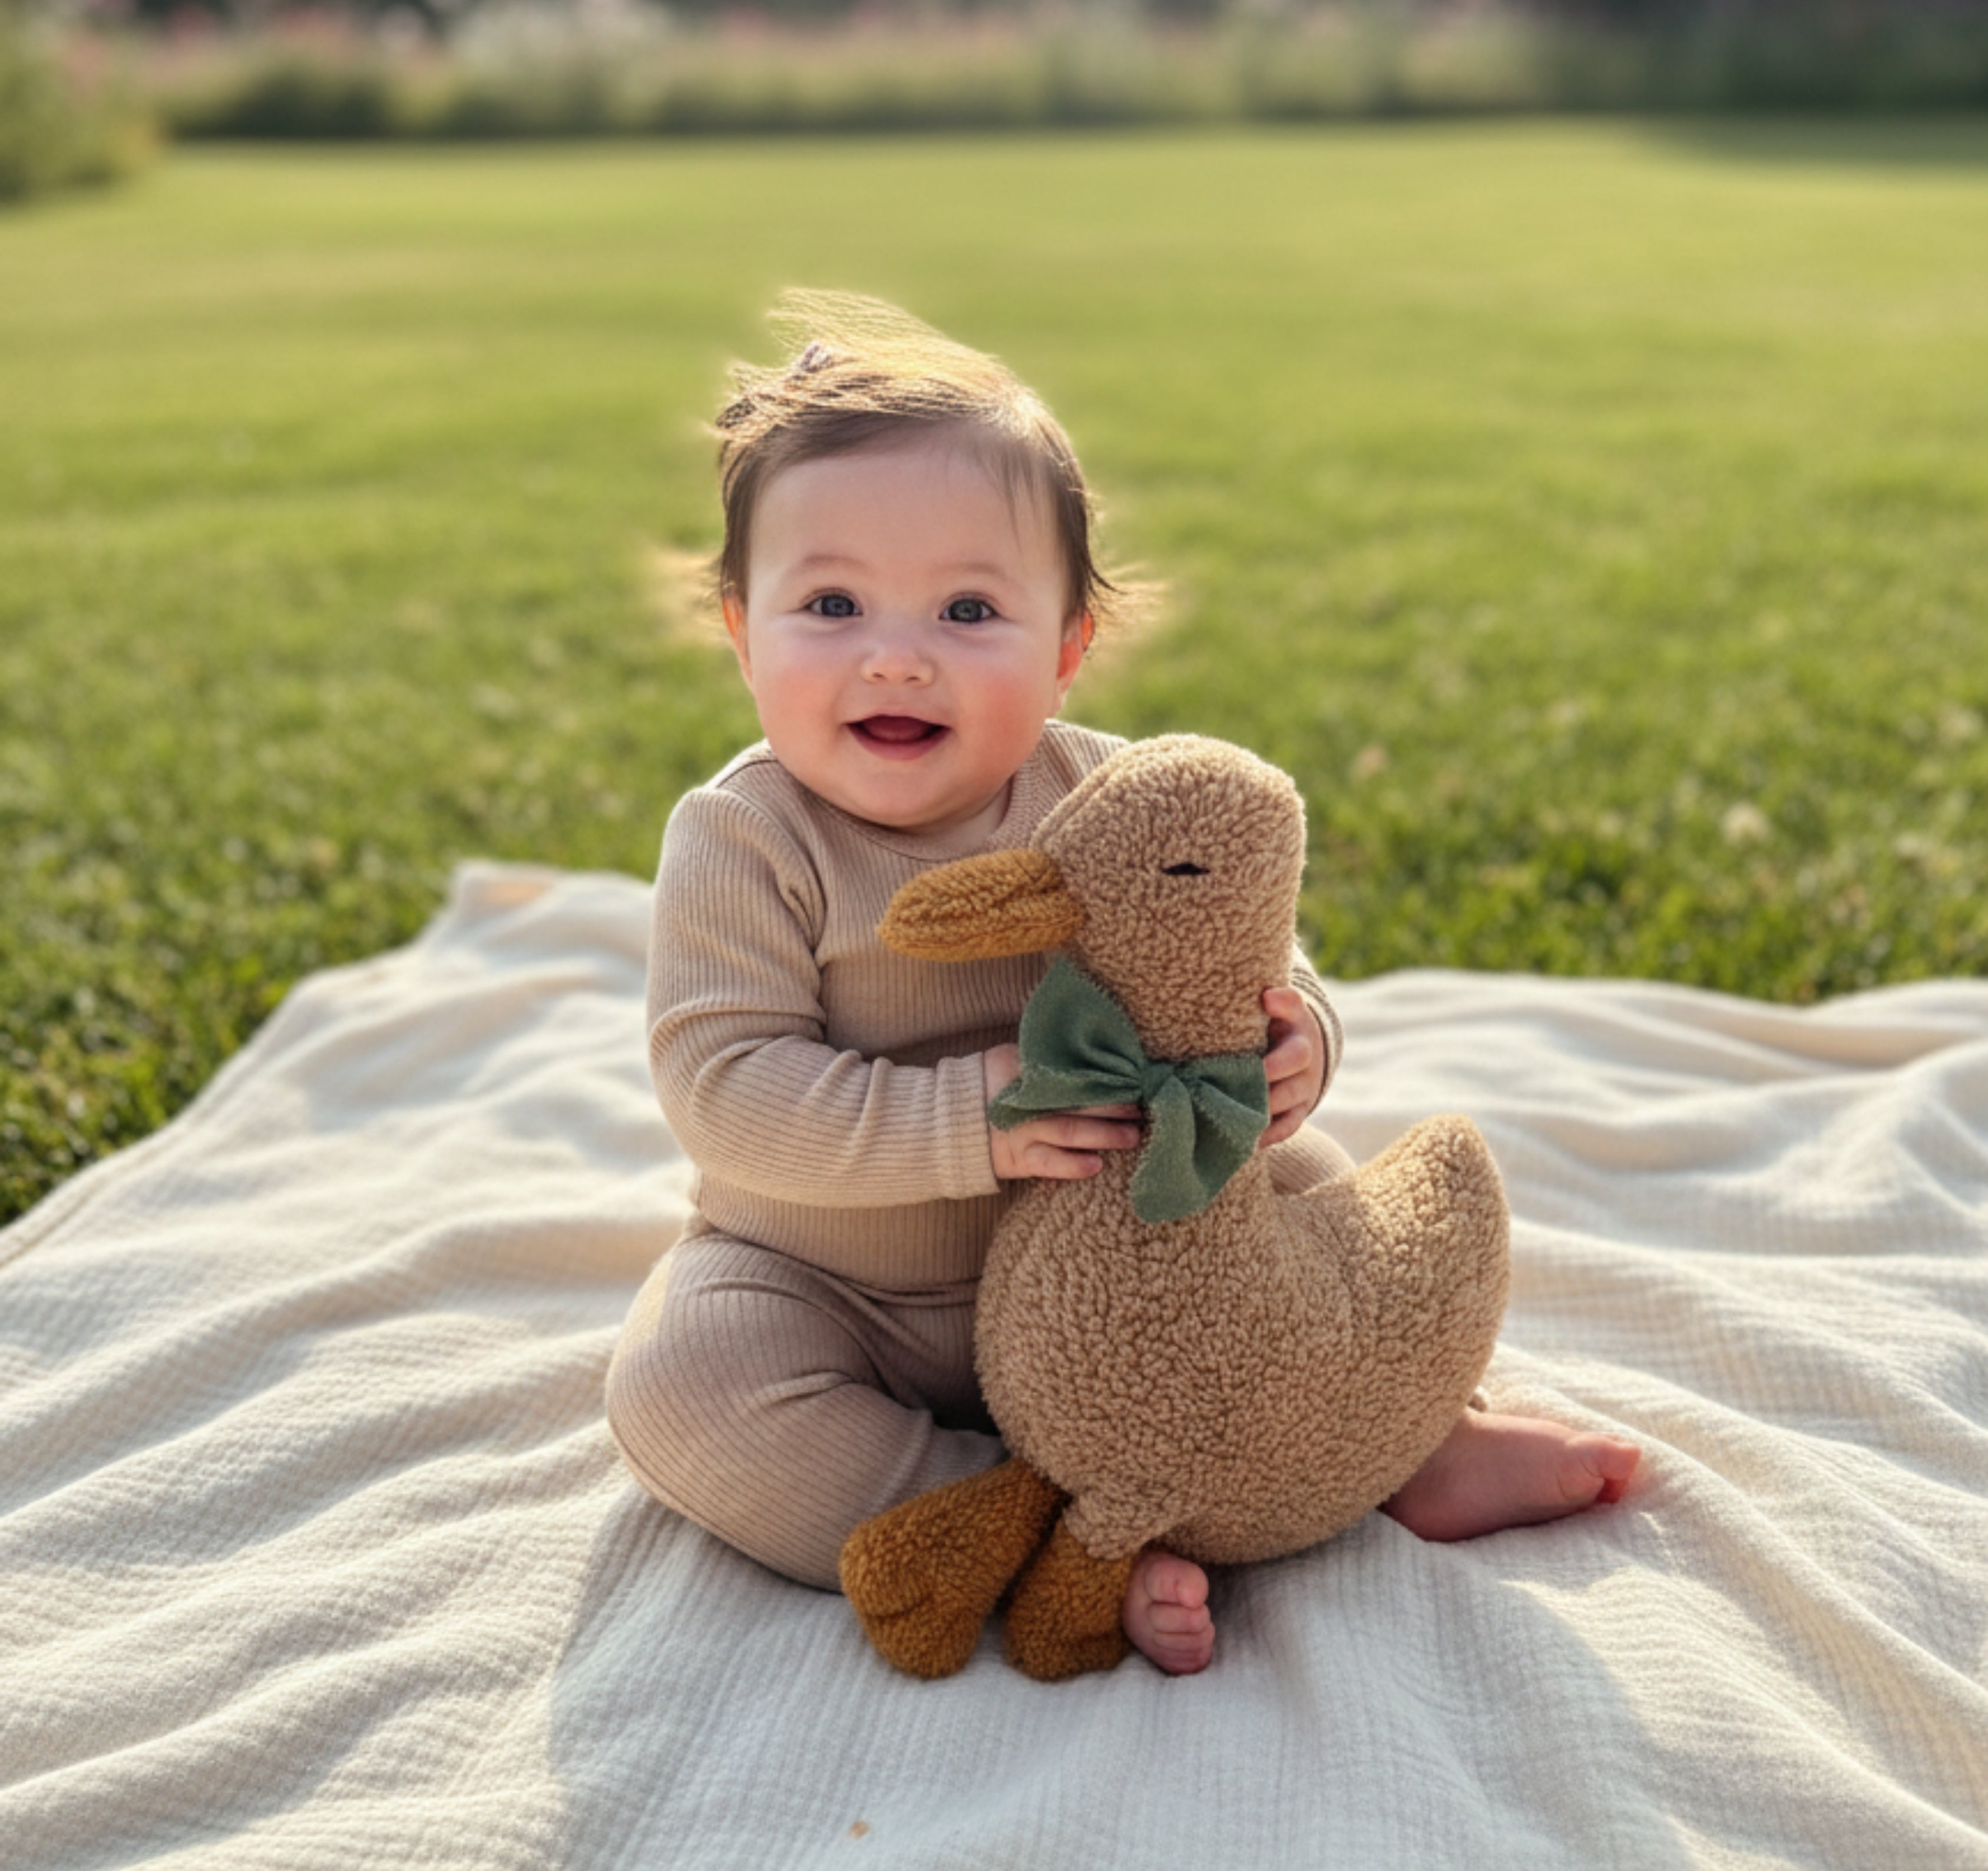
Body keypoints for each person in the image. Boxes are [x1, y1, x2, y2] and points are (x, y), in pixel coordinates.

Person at [606, 293, 1639, 1677]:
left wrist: (1292, 1044)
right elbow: (721, 1087)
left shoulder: (1103, 790)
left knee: (1313, 1184)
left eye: (969, 607)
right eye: (830, 603)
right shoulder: (743, 836)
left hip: (1131, 1267)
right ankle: (1018, 1514)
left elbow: (1240, 949)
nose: (895, 652)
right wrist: (970, 1116)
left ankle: (1405, 1443)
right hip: (836, 1281)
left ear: (1066, 646)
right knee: (683, 1383)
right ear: (743, 630)